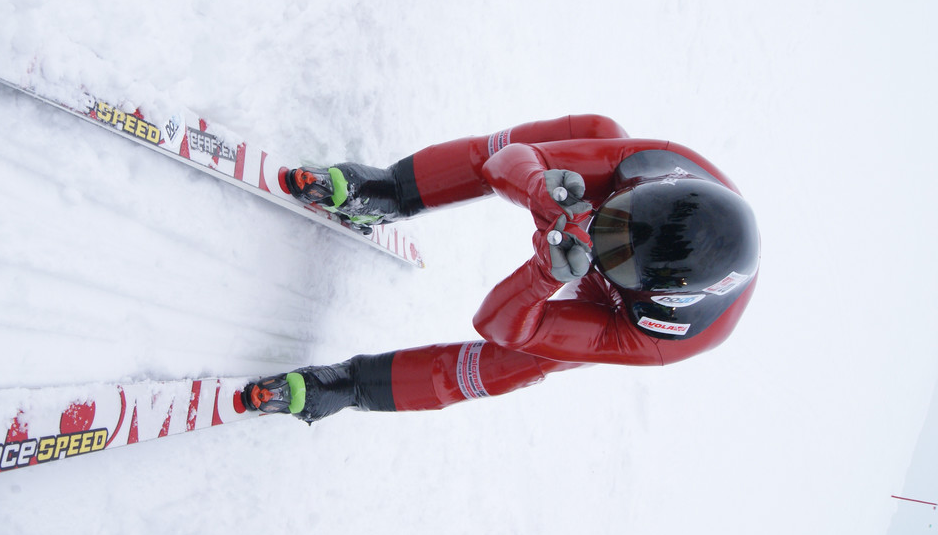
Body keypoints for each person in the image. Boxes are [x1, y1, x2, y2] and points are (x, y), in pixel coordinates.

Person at [241, 115, 759, 422]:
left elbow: (497, 327)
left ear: (657, 292)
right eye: (615, 216)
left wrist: (545, 276)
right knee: (598, 131)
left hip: (610, 311)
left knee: (527, 359)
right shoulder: (646, 163)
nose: (597, 233)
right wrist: (539, 186)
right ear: (643, 189)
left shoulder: (662, 337)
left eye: (616, 256)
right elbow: (506, 161)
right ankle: (390, 190)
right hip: (609, 207)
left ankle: (352, 386)